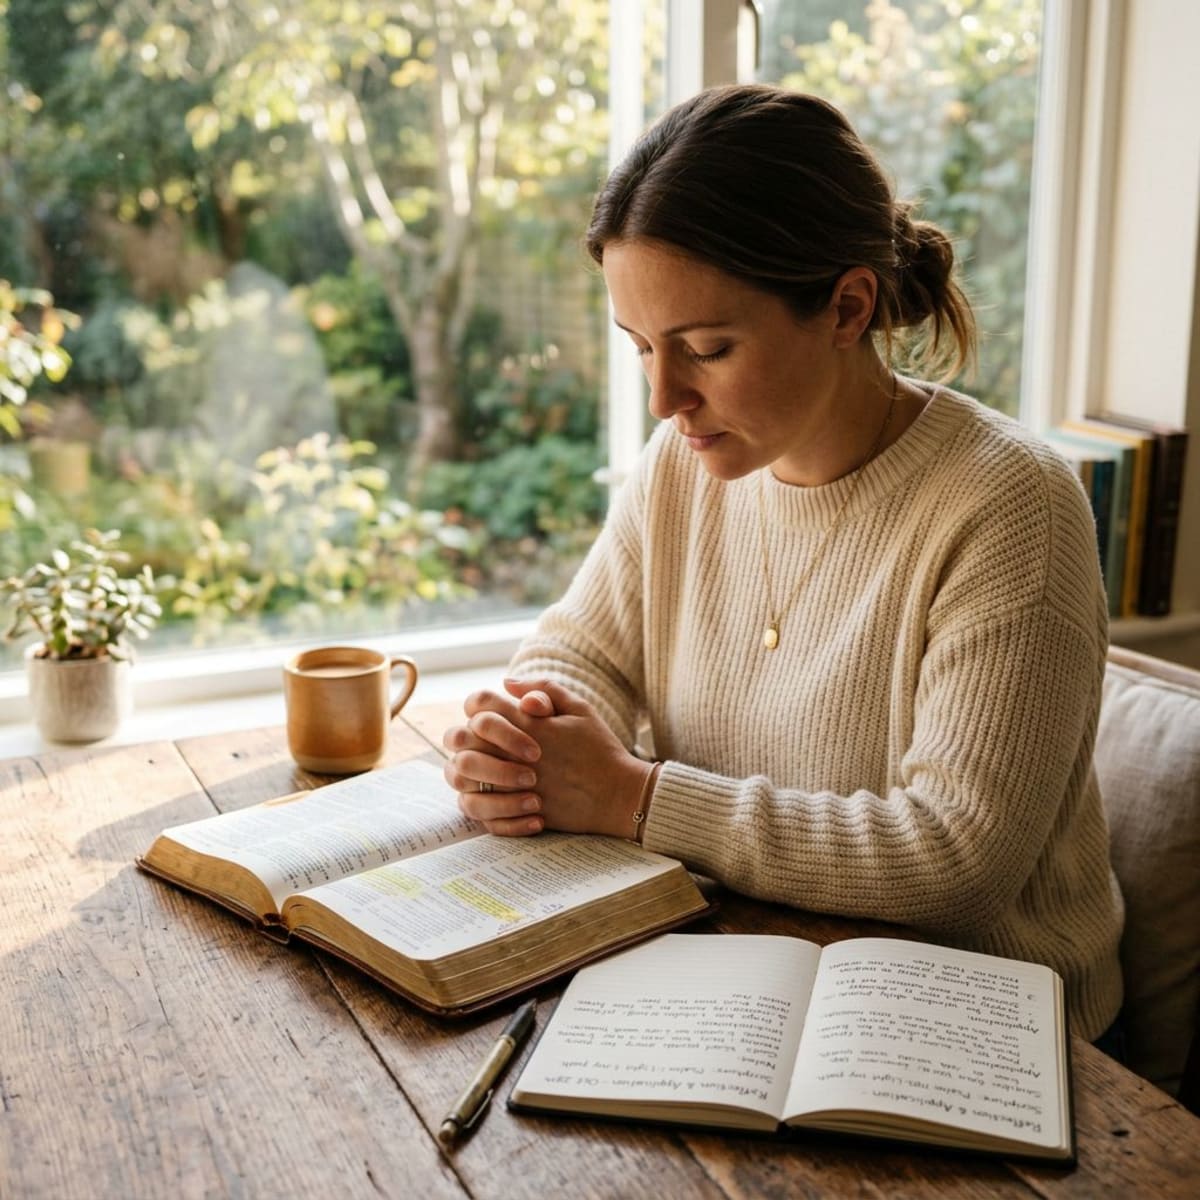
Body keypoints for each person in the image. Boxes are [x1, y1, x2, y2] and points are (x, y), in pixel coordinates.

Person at [441, 84, 1124, 1043]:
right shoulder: (683, 466)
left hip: (980, 1035)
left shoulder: (1010, 505)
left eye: (708, 348)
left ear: (847, 307)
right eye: (641, 349)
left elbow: (957, 862)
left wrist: (634, 797)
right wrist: (525, 732)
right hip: (738, 982)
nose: (665, 397)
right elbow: (579, 654)